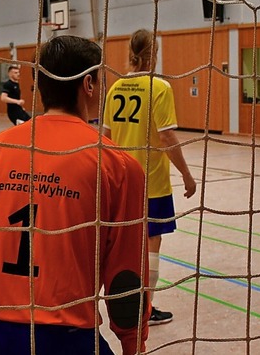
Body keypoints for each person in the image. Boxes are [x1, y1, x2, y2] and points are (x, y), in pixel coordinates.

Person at [0, 36, 150, 355]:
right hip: (60, 333)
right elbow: (127, 276)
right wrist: (132, 345)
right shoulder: (117, 164)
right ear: (89, 84)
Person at [103, 29, 197, 326]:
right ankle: (145, 309)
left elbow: (105, 136)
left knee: (122, 244)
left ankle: (121, 303)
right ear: (153, 54)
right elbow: (167, 135)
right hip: (150, 181)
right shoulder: (159, 87)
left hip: (118, 179)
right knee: (151, 242)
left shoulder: (116, 86)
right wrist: (186, 174)